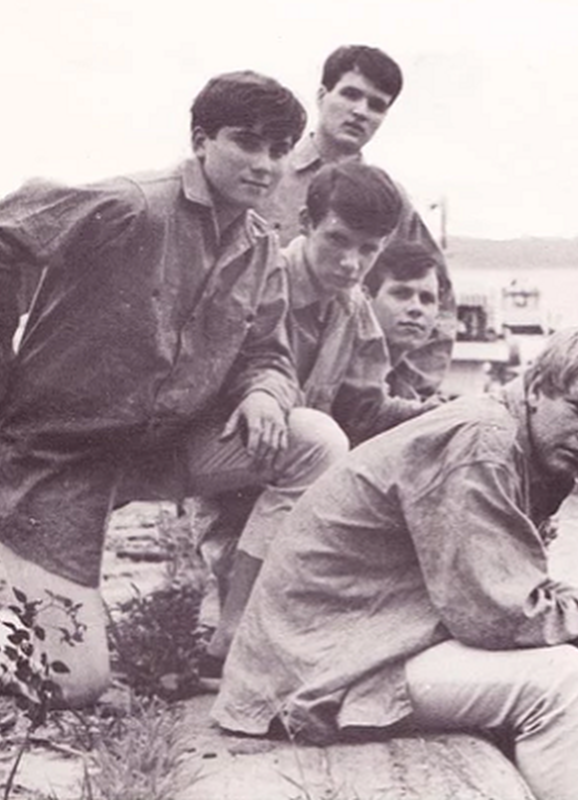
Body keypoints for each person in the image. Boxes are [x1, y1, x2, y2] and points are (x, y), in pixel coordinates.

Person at [0, 71, 349, 704]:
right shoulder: (133, 204)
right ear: (201, 140)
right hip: (56, 464)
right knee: (71, 682)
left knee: (314, 442)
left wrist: (265, 391)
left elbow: (267, 351)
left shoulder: (261, 246)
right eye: (247, 142)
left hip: (155, 452)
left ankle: (235, 636)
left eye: (280, 148)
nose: (265, 164)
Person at [212, 327, 578, 800]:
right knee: (562, 681)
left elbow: (510, 582)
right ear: (537, 388)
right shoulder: (483, 443)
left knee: (568, 646)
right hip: (311, 666)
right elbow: (495, 612)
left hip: (356, 634)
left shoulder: (519, 442)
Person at [202, 162, 441, 669]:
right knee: (317, 439)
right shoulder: (257, 278)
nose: (352, 263)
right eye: (338, 240)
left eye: (369, 249)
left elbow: (364, 411)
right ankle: (231, 631)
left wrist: (435, 416)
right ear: (306, 223)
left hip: (285, 475)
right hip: (214, 452)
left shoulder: (352, 311)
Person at [258, 44, 456, 399]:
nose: (361, 112)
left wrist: (411, 388)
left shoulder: (389, 200)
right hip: (261, 375)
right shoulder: (268, 176)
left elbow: (438, 292)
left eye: (377, 105)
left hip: (349, 387)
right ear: (322, 96)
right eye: (350, 94)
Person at [364, 241, 442, 400]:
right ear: (366, 299)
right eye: (401, 294)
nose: (416, 308)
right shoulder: (338, 372)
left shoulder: (406, 389)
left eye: (427, 299)